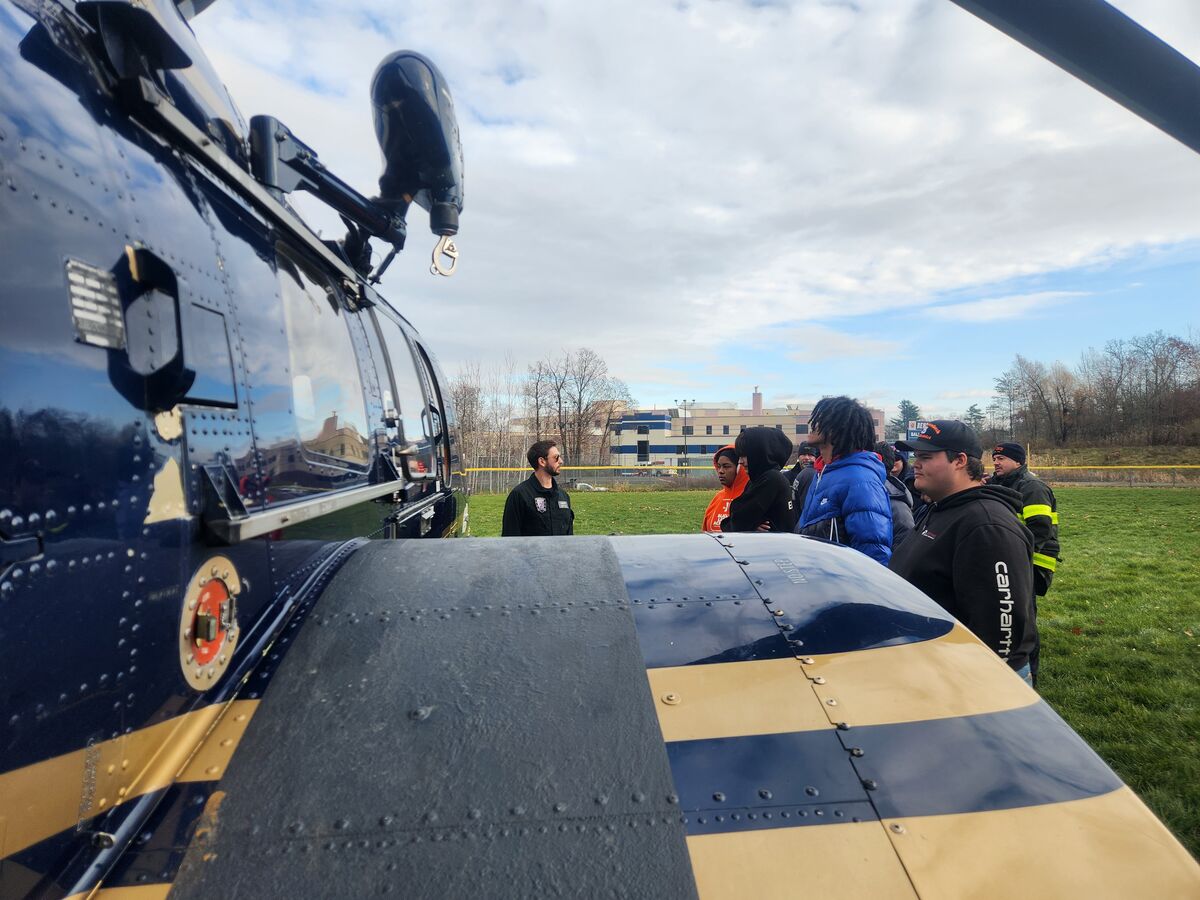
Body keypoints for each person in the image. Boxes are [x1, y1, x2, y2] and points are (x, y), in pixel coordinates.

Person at [889, 421, 1037, 682]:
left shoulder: (986, 525)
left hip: (975, 681)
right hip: (932, 668)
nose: (916, 465)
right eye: (915, 457)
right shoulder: (940, 509)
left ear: (959, 460)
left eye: (925, 457)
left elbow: (1001, 634)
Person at [991, 441, 1060, 685]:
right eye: (994, 458)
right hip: (1007, 561)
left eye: (1002, 459)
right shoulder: (996, 484)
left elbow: (1039, 530)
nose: (996, 463)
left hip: (1030, 563)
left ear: (1018, 462)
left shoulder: (1032, 487)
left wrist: (1013, 555)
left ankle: (1031, 675)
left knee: (1023, 620)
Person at [795, 397, 892, 565]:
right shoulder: (822, 472)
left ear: (837, 429)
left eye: (821, 419)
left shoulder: (860, 481)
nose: (813, 424)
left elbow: (874, 553)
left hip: (839, 587)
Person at [720, 426, 797, 533]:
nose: (740, 462)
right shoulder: (759, 480)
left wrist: (747, 526)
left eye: (745, 456)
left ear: (759, 453)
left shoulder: (771, 479)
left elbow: (738, 519)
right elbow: (736, 521)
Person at [501, 440, 574, 536]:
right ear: (542, 461)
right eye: (556, 458)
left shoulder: (563, 496)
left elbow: (569, 537)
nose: (561, 461)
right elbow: (510, 537)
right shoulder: (519, 495)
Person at [876, 441, 915, 549]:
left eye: (897, 458)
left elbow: (905, 540)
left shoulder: (898, 496)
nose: (894, 462)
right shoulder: (876, 490)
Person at [702, 445, 749, 531]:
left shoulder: (752, 496)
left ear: (740, 468)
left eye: (726, 466)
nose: (721, 471)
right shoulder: (717, 498)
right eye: (719, 466)